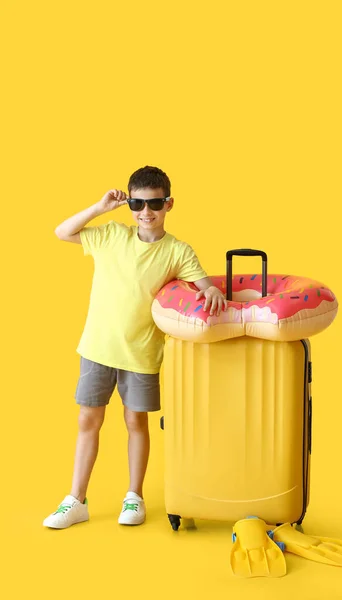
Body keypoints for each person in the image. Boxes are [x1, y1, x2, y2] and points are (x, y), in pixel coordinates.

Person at [43, 165, 226, 529]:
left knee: (135, 421)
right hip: (97, 347)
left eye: (154, 203)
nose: (146, 212)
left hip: (141, 353)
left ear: (169, 203)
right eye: (138, 204)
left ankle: (134, 496)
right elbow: (62, 232)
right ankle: (76, 499)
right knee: (88, 420)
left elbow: (203, 284)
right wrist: (99, 208)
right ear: (129, 204)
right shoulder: (112, 234)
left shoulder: (177, 251)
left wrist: (213, 290)